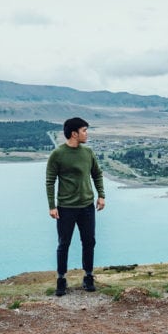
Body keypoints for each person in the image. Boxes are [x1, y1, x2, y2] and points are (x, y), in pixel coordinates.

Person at [46, 117, 106, 296]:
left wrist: (101, 195)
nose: (86, 134)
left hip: (87, 206)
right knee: (64, 244)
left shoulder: (88, 152)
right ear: (74, 133)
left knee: (89, 242)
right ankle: (61, 279)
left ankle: (88, 277)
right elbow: (50, 181)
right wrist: (52, 206)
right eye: (84, 131)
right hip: (66, 208)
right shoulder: (58, 154)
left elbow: (97, 174)